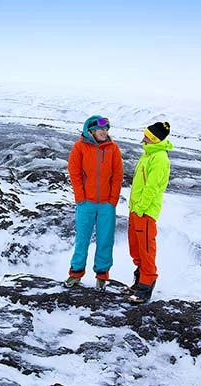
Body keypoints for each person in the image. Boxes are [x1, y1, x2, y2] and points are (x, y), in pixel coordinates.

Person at [64, 115, 124, 289]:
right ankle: (75, 274)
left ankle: (102, 275)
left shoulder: (113, 148)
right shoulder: (79, 147)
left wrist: (113, 199)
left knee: (105, 240)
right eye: (101, 129)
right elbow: (74, 172)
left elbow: (118, 175)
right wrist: (80, 198)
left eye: (106, 129)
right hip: (86, 203)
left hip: (107, 204)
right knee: (82, 239)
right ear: (90, 130)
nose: (104, 132)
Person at [124, 122, 172, 304]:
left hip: (145, 212)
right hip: (135, 210)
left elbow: (152, 187)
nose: (143, 138)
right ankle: (139, 281)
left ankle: (145, 288)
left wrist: (142, 208)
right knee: (135, 248)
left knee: (146, 249)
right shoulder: (148, 154)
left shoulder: (159, 158)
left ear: (154, 139)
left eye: (147, 136)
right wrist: (134, 208)